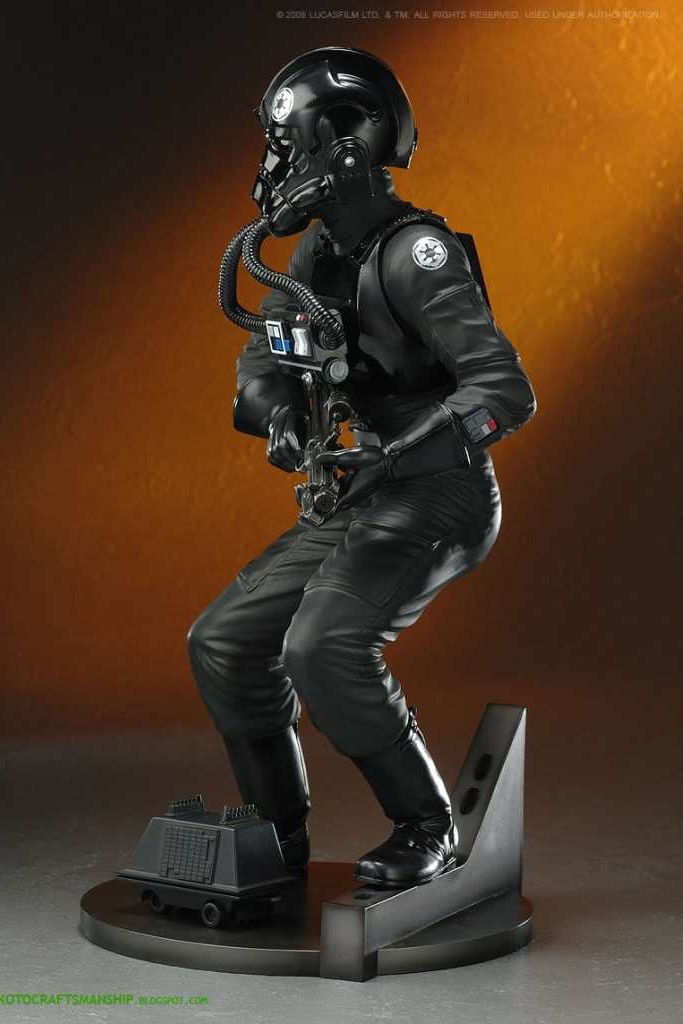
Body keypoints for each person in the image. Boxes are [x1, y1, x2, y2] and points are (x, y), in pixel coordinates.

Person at [187, 47, 536, 888]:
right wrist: (280, 415)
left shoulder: (416, 255)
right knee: (225, 642)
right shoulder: (318, 255)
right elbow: (263, 357)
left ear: (343, 148)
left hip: (439, 492)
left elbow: (503, 390)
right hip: (362, 488)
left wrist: (397, 455)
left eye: (290, 148)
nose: (275, 170)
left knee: (322, 645)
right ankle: (277, 834)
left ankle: (427, 825)